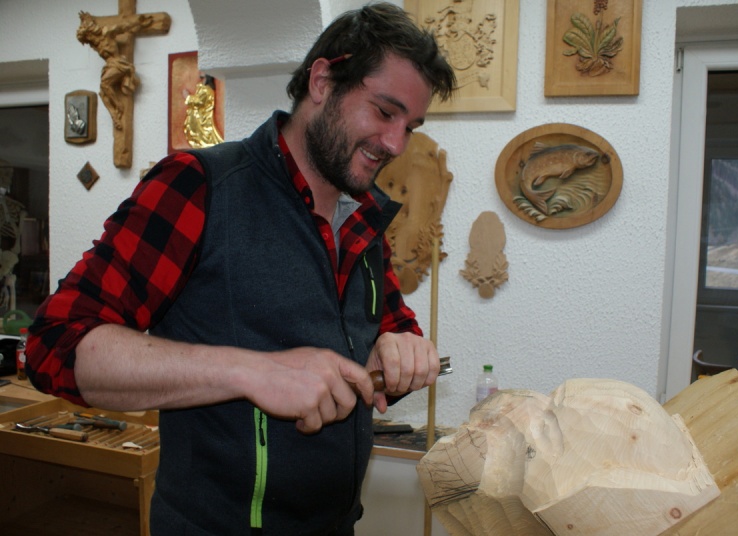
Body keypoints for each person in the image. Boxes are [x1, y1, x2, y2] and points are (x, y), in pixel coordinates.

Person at [26, 4, 456, 535]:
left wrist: (401, 350)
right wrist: (252, 371)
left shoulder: (362, 219)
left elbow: (388, 332)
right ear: (323, 81)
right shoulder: (199, 186)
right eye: (384, 112)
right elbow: (55, 344)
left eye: (410, 127)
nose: (396, 144)